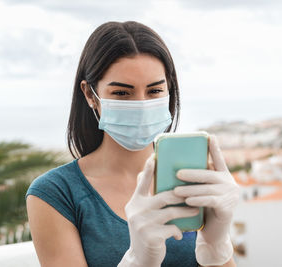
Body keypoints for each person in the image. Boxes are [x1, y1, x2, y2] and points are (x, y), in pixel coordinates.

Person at [26, 21, 240, 267]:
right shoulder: (56, 194)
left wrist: (217, 248)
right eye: (122, 93)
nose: (141, 105)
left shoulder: (195, 180)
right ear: (89, 94)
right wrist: (138, 261)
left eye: (154, 91)